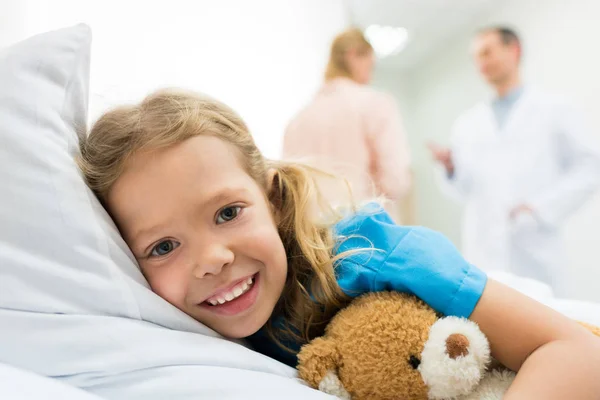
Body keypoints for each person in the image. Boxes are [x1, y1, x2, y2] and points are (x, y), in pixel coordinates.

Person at [78, 89, 600, 399]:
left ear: (274, 200)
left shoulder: (375, 256)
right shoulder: (180, 341)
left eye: (228, 213)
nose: (212, 259)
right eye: (163, 246)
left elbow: (575, 352)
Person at [428, 27, 600, 292]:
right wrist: (451, 169)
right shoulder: (468, 122)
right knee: (489, 327)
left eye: (487, 52)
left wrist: (541, 208)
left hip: (535, 248)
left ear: (514, 50)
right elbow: (464, 189)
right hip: (483, 251)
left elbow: (590, 166)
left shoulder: (554, 108)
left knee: (546, 323)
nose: (480, 63)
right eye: (475, 57)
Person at [283, 28, 411, 223]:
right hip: (369, 232)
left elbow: (291, 193)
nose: (370, 75)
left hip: (315, 238)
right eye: (370, 66)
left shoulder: (297, 121)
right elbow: (396, 181)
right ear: (352, 56)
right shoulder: (375, 103)